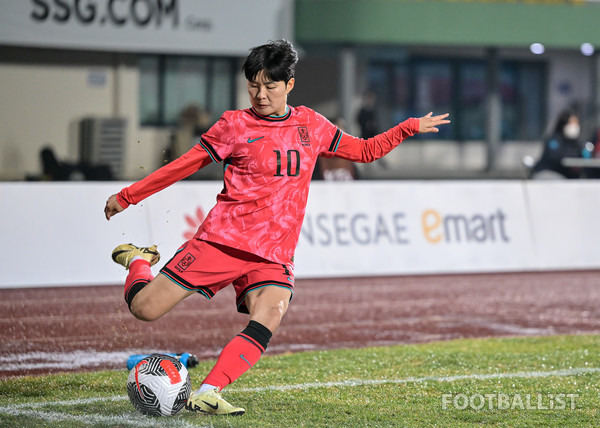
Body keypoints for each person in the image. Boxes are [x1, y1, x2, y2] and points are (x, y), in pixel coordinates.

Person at [104, 40, 450, 416]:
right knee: (144, 309)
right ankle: (139, 260)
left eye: (270, 86)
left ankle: (209, 390)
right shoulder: (233, 125)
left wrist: (408, 127)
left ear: (290, 85)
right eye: (253, 85)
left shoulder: (312, 125)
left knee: (271, 312)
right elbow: (185, 164)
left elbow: (365, 151)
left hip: (273, 255)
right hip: (223, 242)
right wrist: (129, 195)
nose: (260, 94)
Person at [531, 109, 590, 179]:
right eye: (571, 123)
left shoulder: (576, 143)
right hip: (550, 174)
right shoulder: (554, 139)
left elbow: (583, 155)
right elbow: (555, 156)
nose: (574, 126)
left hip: (568, 177)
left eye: (576, 123)